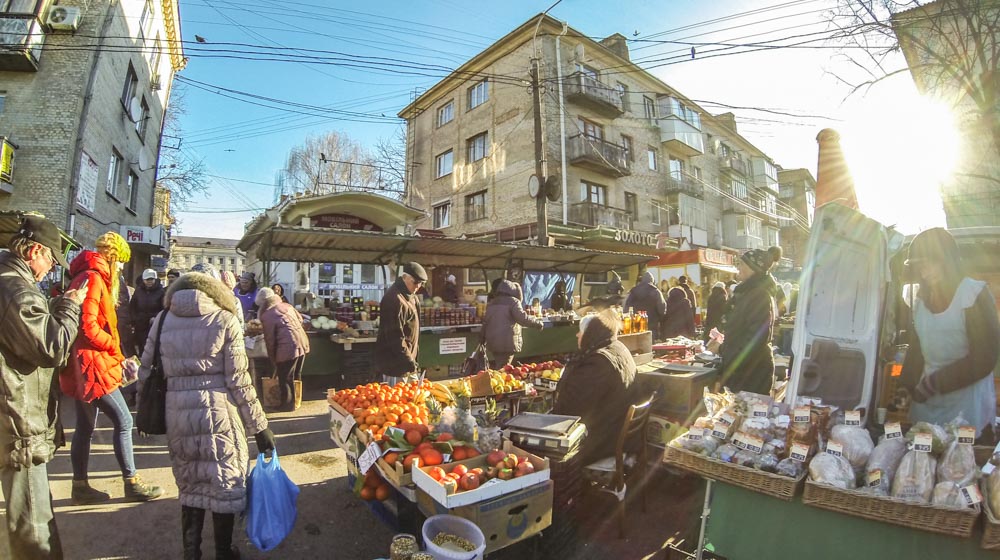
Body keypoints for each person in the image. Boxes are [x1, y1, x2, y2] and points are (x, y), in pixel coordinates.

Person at [138, 270, 274, 560]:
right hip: (219, 414)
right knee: (224, 483)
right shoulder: (225, 320)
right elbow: (239, 380)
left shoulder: (162, 320)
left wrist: (144, 410)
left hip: (177, 413)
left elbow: (145, 370)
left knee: (191, 484)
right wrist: (260, 427)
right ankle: (224, 552)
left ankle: (192, 553)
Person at [0, 216, 86, 559]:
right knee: (34, 524)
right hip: (17, 417)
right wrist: (69, 306)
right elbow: (50, 347)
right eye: (50, 257)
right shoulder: (15, 288)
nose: (50, 266)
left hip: (12, 412)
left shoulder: (11, 283)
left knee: (31, 515)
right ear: (34, 250)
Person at [61, 232, 163, 505]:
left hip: (83, 363)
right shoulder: (95, 278)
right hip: (92, 364)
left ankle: (79, 486)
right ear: (113, 256)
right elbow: (88, 326)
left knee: (85, 426)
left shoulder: (87, 275)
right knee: (124, 420)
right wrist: (113, 348)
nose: (120, 268)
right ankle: (131, 483)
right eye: (121, 262)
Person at [901, 228, 999, 441]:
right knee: (924, 461)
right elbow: (917, 350)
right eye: (920, 266)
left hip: (968, 405)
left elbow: (985, 357)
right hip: (928, 405)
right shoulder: (920, 303)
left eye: (930, 263)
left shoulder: (973, 295)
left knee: (961, 465)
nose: (925, 271)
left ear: (949, 261)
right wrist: (907, 384)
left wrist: (935, 383)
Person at [552, 310, 639, 465]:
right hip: (616, 429)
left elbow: (572, 410)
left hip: (603, 440)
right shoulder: (617, 346)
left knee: (544, 448)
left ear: (591, 334)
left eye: (581, 331)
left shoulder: (597, 363)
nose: (577, 335)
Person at [719, 246, 783, 395]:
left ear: (753, 268)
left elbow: (755, 340)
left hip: (753, 374)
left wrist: (723, 350)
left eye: (742, 264)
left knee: (749, 415)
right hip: (744, 371)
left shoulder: (759, 295)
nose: (738, 267)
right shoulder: (746, 293)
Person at [257, 287, 310, 411]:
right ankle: (297, 399)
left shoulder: (267, 316)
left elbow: (270, 340)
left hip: (288, 347)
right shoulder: (287, 305)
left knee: (285, 377)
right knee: (296, 374)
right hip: (302, 341)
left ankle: (287, 405)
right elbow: (301, 319)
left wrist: (273, 358)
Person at [375, 262, 425, 384]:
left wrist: (412, 359)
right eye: (415, 282)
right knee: (396, 400)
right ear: (405, 277)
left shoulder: (413, 297)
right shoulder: (393, 299)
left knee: (414, 399)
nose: (418, 286)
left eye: (421, 283)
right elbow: (394, 336)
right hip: (395, 366)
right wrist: (408, 360)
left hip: (408, 364)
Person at [483, 279, 544, 367]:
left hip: (493, 342)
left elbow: (485, 322)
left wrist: (482, 338)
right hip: (507, 342)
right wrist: (537, 323)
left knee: (500, 365)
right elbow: (522, 319)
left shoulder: (492, 303)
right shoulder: (514, 302)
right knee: (503, 368)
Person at [130, 268, 165, 356]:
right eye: (147, 279)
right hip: (140, 324)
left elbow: (164, 308)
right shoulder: (138, 291)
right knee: (142, 346)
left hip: (153, 324)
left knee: (153, 346)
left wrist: (156, 317)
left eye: (151, 279)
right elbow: (132, 306)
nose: (149, 282)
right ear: (143, 280)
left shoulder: (161, 292)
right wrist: (135, 319)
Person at [624, 270, 667, 340]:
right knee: (651, 345)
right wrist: (660, 319)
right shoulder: (656, 292)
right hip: (652, 325)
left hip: (636, 325)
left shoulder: (633, 291)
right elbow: (662, 309)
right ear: (652, 281)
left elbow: (626, 308)